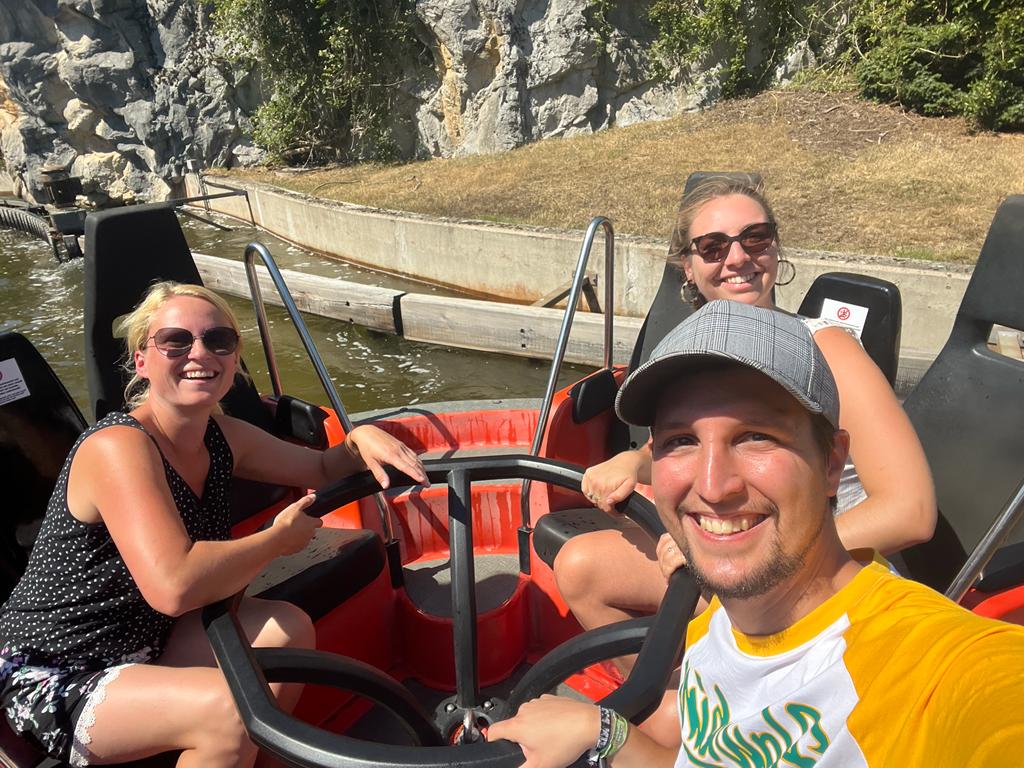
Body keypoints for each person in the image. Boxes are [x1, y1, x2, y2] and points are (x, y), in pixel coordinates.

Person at [489, 300, 1024, 767]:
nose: (713, 486)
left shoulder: (937, 672)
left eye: (755, 436)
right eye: (680, 441)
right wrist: (607, 734)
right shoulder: (720, 619)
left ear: (832, 462)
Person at [0, 281, 428, 767]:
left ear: (234, 358)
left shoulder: (223, 436)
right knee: (231, 713)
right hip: (59, 667)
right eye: (175, 341)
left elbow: (324, 468)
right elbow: (175, 585)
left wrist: (359, 439)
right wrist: (276, 541)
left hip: (150, 637)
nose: (200, 353)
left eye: (218, 340)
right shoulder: (118, 446)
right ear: (142, 361)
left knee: (286, 628)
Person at [554, 177, 936, 655]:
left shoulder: (829, 351)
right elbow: (699, 443)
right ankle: (678, 698)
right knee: (580, 568)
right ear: (688, 267)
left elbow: (911, 511)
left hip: (826, 568)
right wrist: (635, 461)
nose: (737, 258)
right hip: (731, 542)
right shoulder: (694, 352)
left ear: (775, 248)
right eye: (713, 247)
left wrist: (747, 550)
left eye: (755, 238)